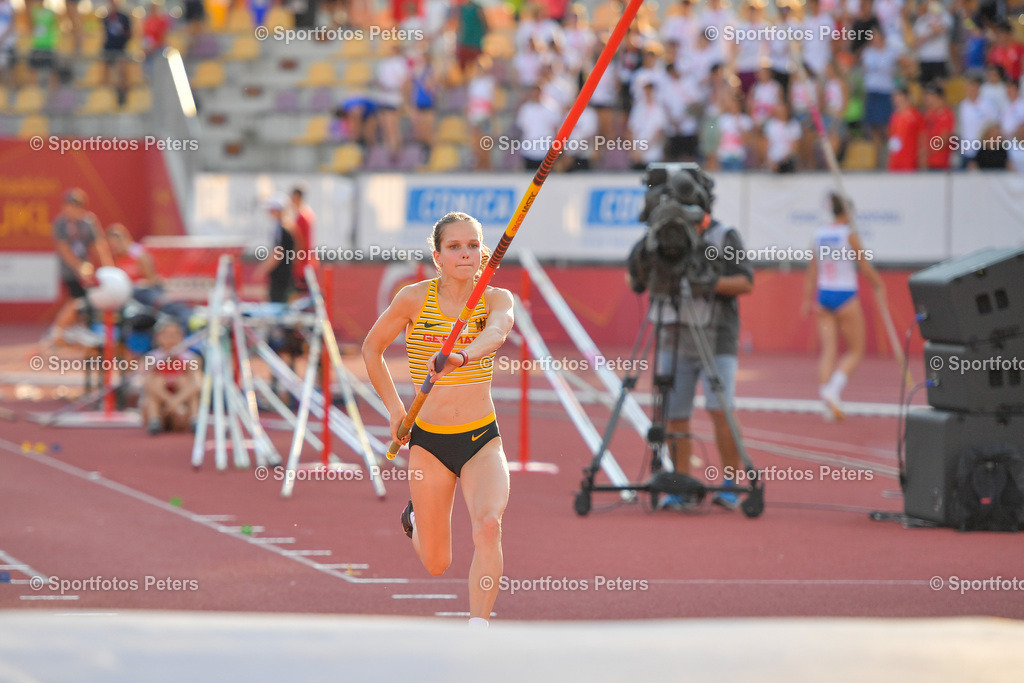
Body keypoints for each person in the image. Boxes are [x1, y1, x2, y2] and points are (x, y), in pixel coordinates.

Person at [362, 212, 513, 628]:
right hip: (429, 444)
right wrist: (395, 410)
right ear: (438, 256)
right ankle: (414, 519)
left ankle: (477, 631)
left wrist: (461, 355)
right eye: (454, 247)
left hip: (482, 440)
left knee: (488, 526)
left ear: (483, 253)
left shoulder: (496, 298)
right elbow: (371, 349)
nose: (464, 253)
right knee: (436, 562)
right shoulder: (414, 298)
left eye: (472, 246)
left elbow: (497, 333)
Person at [629, 168, 754, 510]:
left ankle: (731, 482)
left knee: (720, 409)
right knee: (675, 413)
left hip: (716, 336)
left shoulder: (723, 236)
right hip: (672, 332)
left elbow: (745, 282)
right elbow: (639, 279)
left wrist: (706, 284)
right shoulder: (660, 235)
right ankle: (680, 482)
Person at [801, 192, 885, 421]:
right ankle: (833, 390)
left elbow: (811, 271)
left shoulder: (818, 234)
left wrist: (807, 299)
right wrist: (879, 285)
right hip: (845, 295)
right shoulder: (849, 235)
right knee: (856, 351)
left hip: (824, 295)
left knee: (828, 350)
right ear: (847, 213)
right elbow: (864, 266)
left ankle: (828, 404)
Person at [49, 189, 113, 346]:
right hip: (69, 270)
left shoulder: (88, 222)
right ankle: (56, 332)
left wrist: (109, 268)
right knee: (76, 300)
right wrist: (79, 268)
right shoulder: (60, 223)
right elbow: (64, 249)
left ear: (81, 207)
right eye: (68, 205)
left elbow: (97, 245)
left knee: (84, 301)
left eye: (75, 206)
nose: (70, 209)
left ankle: (73, 331)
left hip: (86, 270)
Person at [141, 317, 201, 435]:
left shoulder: (190, 358)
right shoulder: (151, 357)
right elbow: (145, 382)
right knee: (156, 381)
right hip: (160, 406)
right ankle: (155, 420)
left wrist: (176, 402)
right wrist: (171, 402)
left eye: (175, 335)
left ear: (182, 338)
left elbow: (198, 383)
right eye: (167, 335)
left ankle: (194, 419)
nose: (171, 339)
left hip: (180, 409)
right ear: (159, 338)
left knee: (184, 380)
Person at [256, 196, 295, 303]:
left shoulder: (282, 229)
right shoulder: (284, 227)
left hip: (281, 278)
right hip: (282, 276)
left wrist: (262, 269)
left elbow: (278, 254)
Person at [288, 186, 315, 292]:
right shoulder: (307, 214)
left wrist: (294, 261)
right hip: (306, 261)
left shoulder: (302, 217)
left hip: (301, 264)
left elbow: (299, 242)